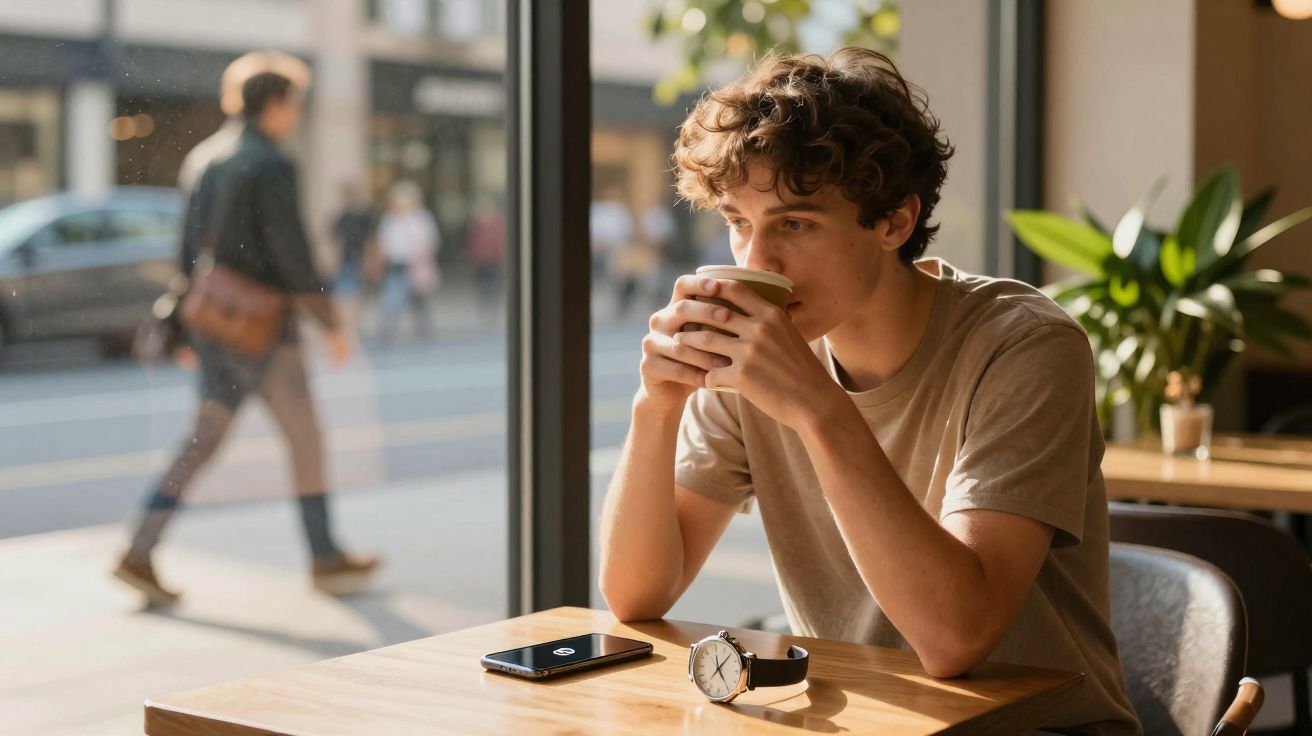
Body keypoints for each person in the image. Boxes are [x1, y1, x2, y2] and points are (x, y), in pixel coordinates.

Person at [598, 48, 1141, 735]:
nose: (756, 262)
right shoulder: (753, 358)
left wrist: (817, 408)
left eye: (794, 223)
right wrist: (658, 407)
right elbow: (635, 594)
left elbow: (954, 638)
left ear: (894, 222)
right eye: (740, 223)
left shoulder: (1023, 346)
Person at [113, 68, 380, 606]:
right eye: (296, 101)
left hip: (215, 328)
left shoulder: (204, 157)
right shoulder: (272, 163)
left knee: (202, 442)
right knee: (305, 439)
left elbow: (187, 250)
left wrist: (183, 323)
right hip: (266, 333)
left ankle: (140, 549)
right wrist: (329, 322)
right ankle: (324, 556)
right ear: (276, 103)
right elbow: (292, 252)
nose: (298, 113)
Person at [373, 180, 439, 343]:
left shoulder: (421, 218)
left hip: (415, 264)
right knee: (392, 297)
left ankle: (423, 329)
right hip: (396, 264)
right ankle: (387, 330)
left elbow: (430, 240)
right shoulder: (390, 219)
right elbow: (383, 242)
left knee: (418, 299)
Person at [330, 181, 376, 336]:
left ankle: (351, 324)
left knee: (352, 292)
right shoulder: (346, 216)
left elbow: (371, 240)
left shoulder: (365, 215)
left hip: (358, 258)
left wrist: (370, 259)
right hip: (348, 258)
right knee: (347, 293)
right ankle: (348, 324)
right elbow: (336, 239)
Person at [465, 196, 507, 319]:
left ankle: (492, 306)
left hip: (494, 258)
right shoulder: (476, 223)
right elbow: (471, 240)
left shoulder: (498, 221)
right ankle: (485, 305)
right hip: (481, 258)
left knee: (494, 283)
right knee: (482, 284)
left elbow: (501, 238)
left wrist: (500, 253)